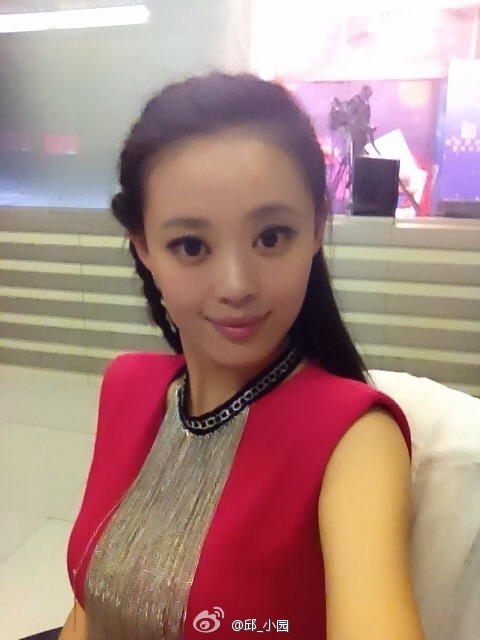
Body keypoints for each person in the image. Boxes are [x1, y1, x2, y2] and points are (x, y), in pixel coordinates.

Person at [60, 72, 425, 639]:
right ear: (144, 248)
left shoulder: (354, 439)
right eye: (192, 245)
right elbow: (91, 603)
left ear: (317, 228)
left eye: (271, 237)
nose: (236, 286)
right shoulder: (128, 385)